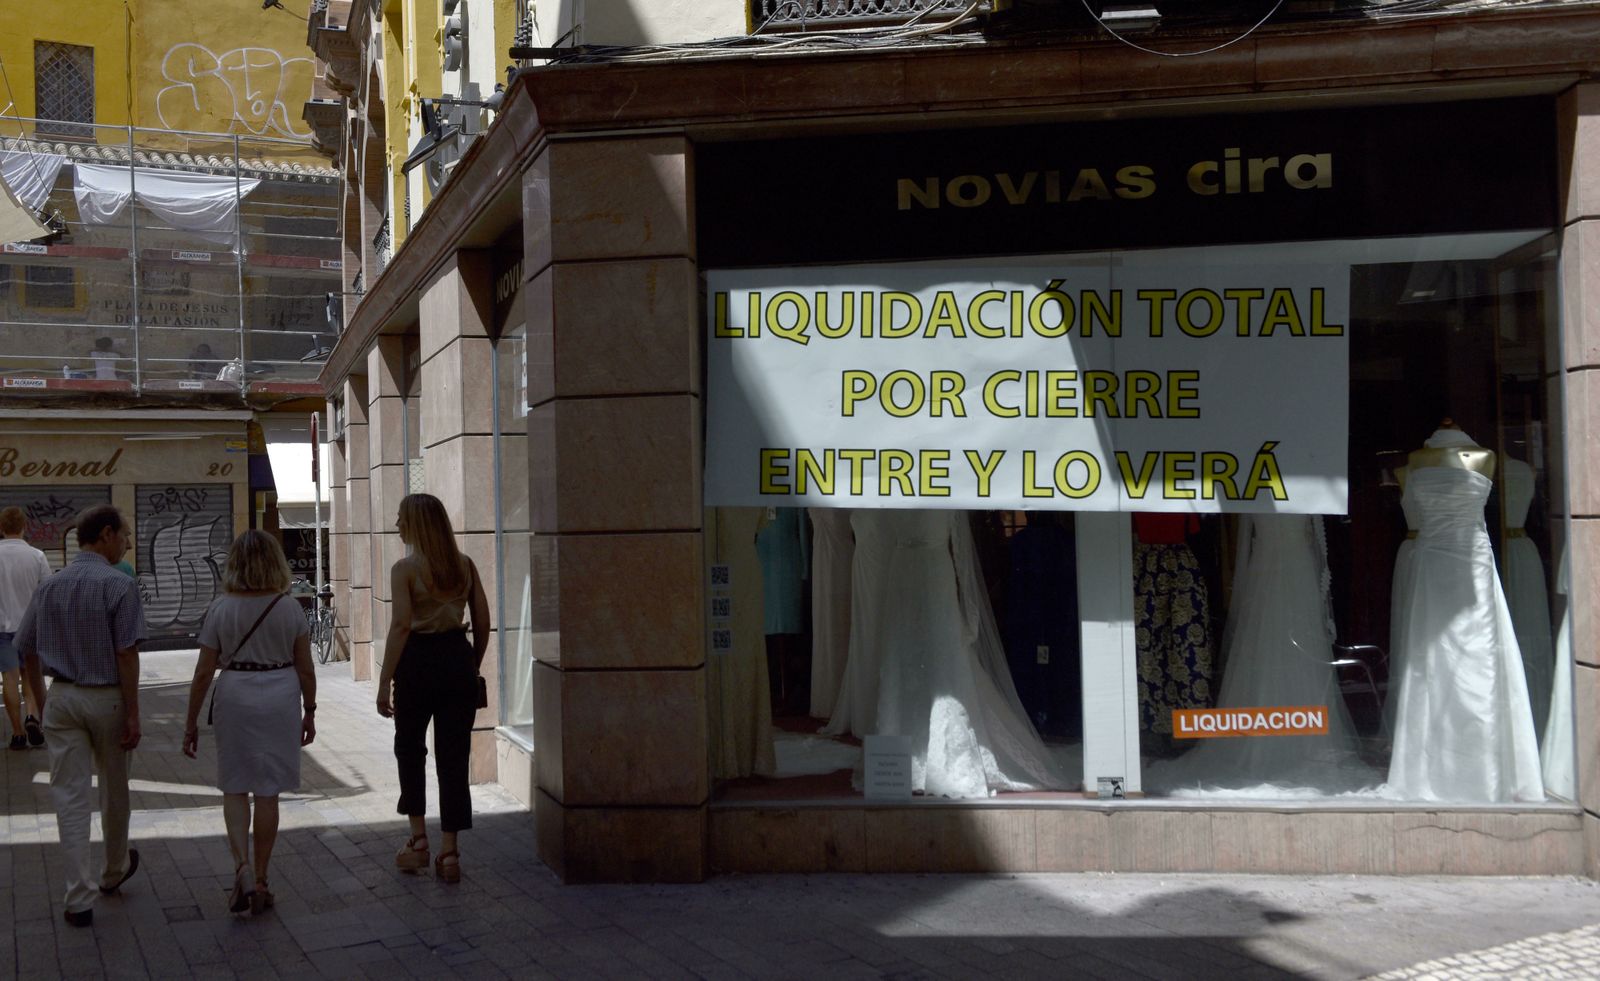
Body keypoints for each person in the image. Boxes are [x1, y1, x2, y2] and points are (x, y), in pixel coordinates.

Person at [16, 505, 148, 928]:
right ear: (106, 535)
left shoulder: (50, 585)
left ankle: (78, 898)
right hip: (108, 698)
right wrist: (133, 712)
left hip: (63, 698)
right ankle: (111, 873)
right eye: (124, 534)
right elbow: (126, 653)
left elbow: (26, 647)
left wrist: (39, 699)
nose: (127, 542)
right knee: (115, 790)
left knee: (70, 798)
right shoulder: (120, 586)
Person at [182, 531, 316, 916]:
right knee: (268, 791)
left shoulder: (220, 608)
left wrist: (190, 723)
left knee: (235, 784)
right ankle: (261, 879)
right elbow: (306, 668)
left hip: (235, 691)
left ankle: (240, 865)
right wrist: (310, 709)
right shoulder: (289, 608)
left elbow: (203, 672)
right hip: (279, 692)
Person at [375, 493, 489, 883]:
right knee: (453, 757)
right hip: (457, 657)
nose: (396, 524)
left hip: (417, 663)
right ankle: (451, 851)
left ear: (417, 524)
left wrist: (384, 680)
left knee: (410, 748)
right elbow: (484, 621)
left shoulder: (404, 569)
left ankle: (419, 840)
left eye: (401, 517)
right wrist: (471, 662)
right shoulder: (465, 566)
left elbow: (401, 626)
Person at [0, 506, 51, 750]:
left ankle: (18, 733)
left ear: (1, 528)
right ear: (24, 527)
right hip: (31, 627)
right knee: (30, 675)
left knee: (9, 678)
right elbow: (47, 591)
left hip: (2, 628)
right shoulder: (37, 556)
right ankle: (32, 716)